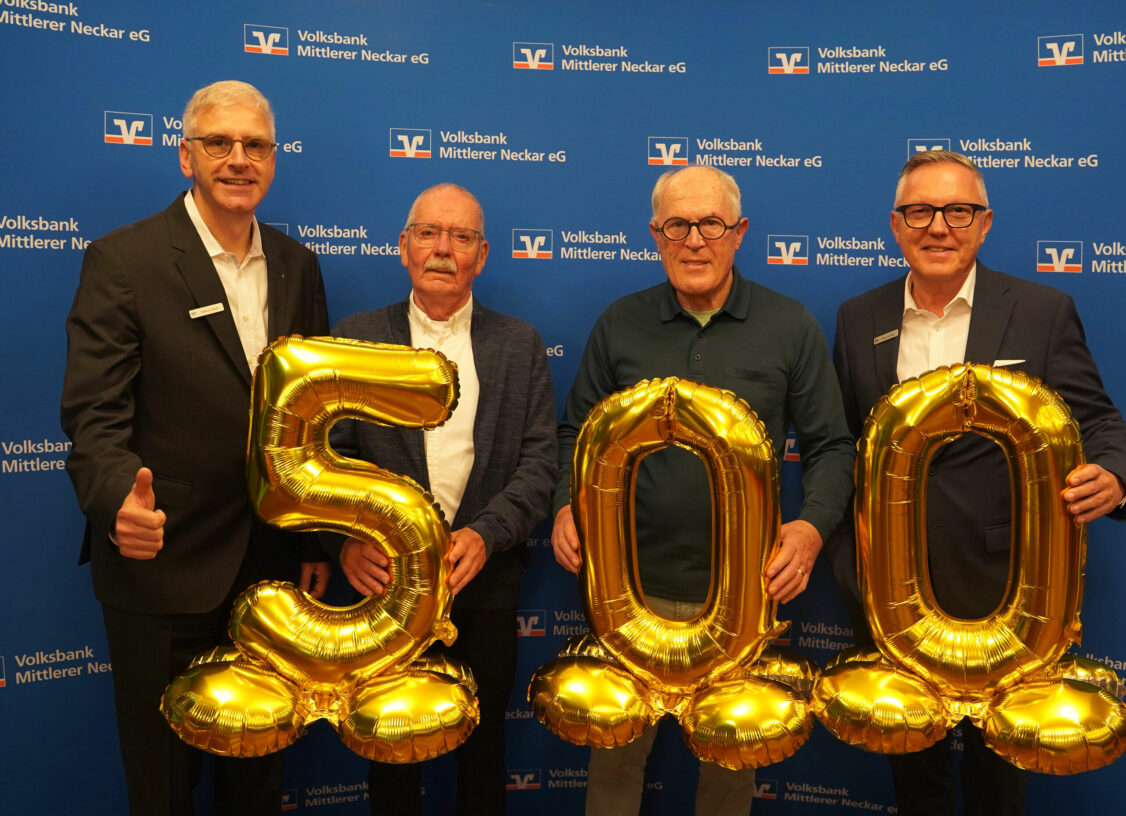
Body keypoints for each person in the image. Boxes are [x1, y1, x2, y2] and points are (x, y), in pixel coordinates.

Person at [829, 150, 1126, 816]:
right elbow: (845, 442)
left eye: (958, 211)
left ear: (985, 222)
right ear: (896, 224)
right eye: (920, 211)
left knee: (999, 779)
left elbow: (1098, 421)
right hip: (891, 588)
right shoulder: (858, 317)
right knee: (914, 771)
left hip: (1006, 589)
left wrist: (1114, 474)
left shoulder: (1041, 310)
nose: (939, 227)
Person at [60, 80, 330, 815]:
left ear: (272, 159)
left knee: (258, 780)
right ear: (186, 156)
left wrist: (313, 538)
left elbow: (311, 418)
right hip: (162, 564)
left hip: (270, 577)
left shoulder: (298, 264)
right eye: (219, 143)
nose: (239, 159)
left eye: (255, 145)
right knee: (162, 787)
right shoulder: (124, 259)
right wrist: (117, 498)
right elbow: (93, 414)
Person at [551, 165, 855, 815]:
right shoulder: (619, 323)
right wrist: (564, 506)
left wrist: (809, 530)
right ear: (655, 235)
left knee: (729, 766)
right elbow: (575, 433)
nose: (694, 240)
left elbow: (832, 446)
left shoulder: (789, 324)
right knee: (615, 760)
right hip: (626, 588)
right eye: (678, 226)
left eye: (710, 224)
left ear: (738, 233)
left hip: (743, 594)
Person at [328, 183, 557, 815]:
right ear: (403, 246)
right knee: (390, 755)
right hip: (382, 586)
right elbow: (328, 457)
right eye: (428, 233)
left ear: (482, 255)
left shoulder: (519, 344)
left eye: (460, 237)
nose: (442, 249)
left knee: (482, 756)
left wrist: (487, 532)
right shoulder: (355, 338)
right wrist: (346, 542)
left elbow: (540, 463)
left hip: (483, 583)